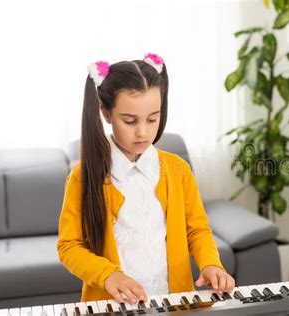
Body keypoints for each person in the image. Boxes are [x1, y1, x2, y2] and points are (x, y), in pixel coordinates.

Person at [57, 54, 235, 305]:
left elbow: (196, 230)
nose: (143, 131)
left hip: (174, 305)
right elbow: (69, 246)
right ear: (106, 113)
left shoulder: (177, 170)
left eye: (153, 118)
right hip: (112, 306)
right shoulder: (82, 177)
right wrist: (108, 275)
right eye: (129, 121)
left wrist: (210, 263)